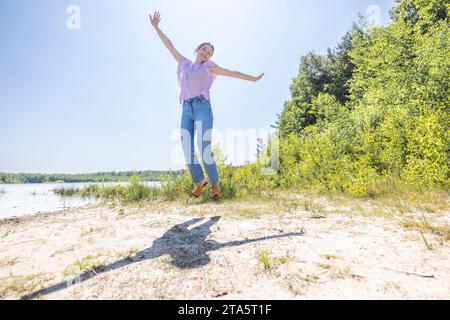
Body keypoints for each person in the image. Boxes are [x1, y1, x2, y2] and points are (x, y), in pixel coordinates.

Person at [150, 11, 264, 200]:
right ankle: (200, 181)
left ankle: (215, 184)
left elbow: (232, 72)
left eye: (209, 52)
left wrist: (252, 79)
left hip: (203, 107)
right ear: (198, 49)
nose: (206, 53)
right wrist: (156, 27)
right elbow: (169, 45)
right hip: (186, 108)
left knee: (204, 147)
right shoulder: (185, 64)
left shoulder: (210, 67)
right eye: (204, 49)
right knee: (186, 146)